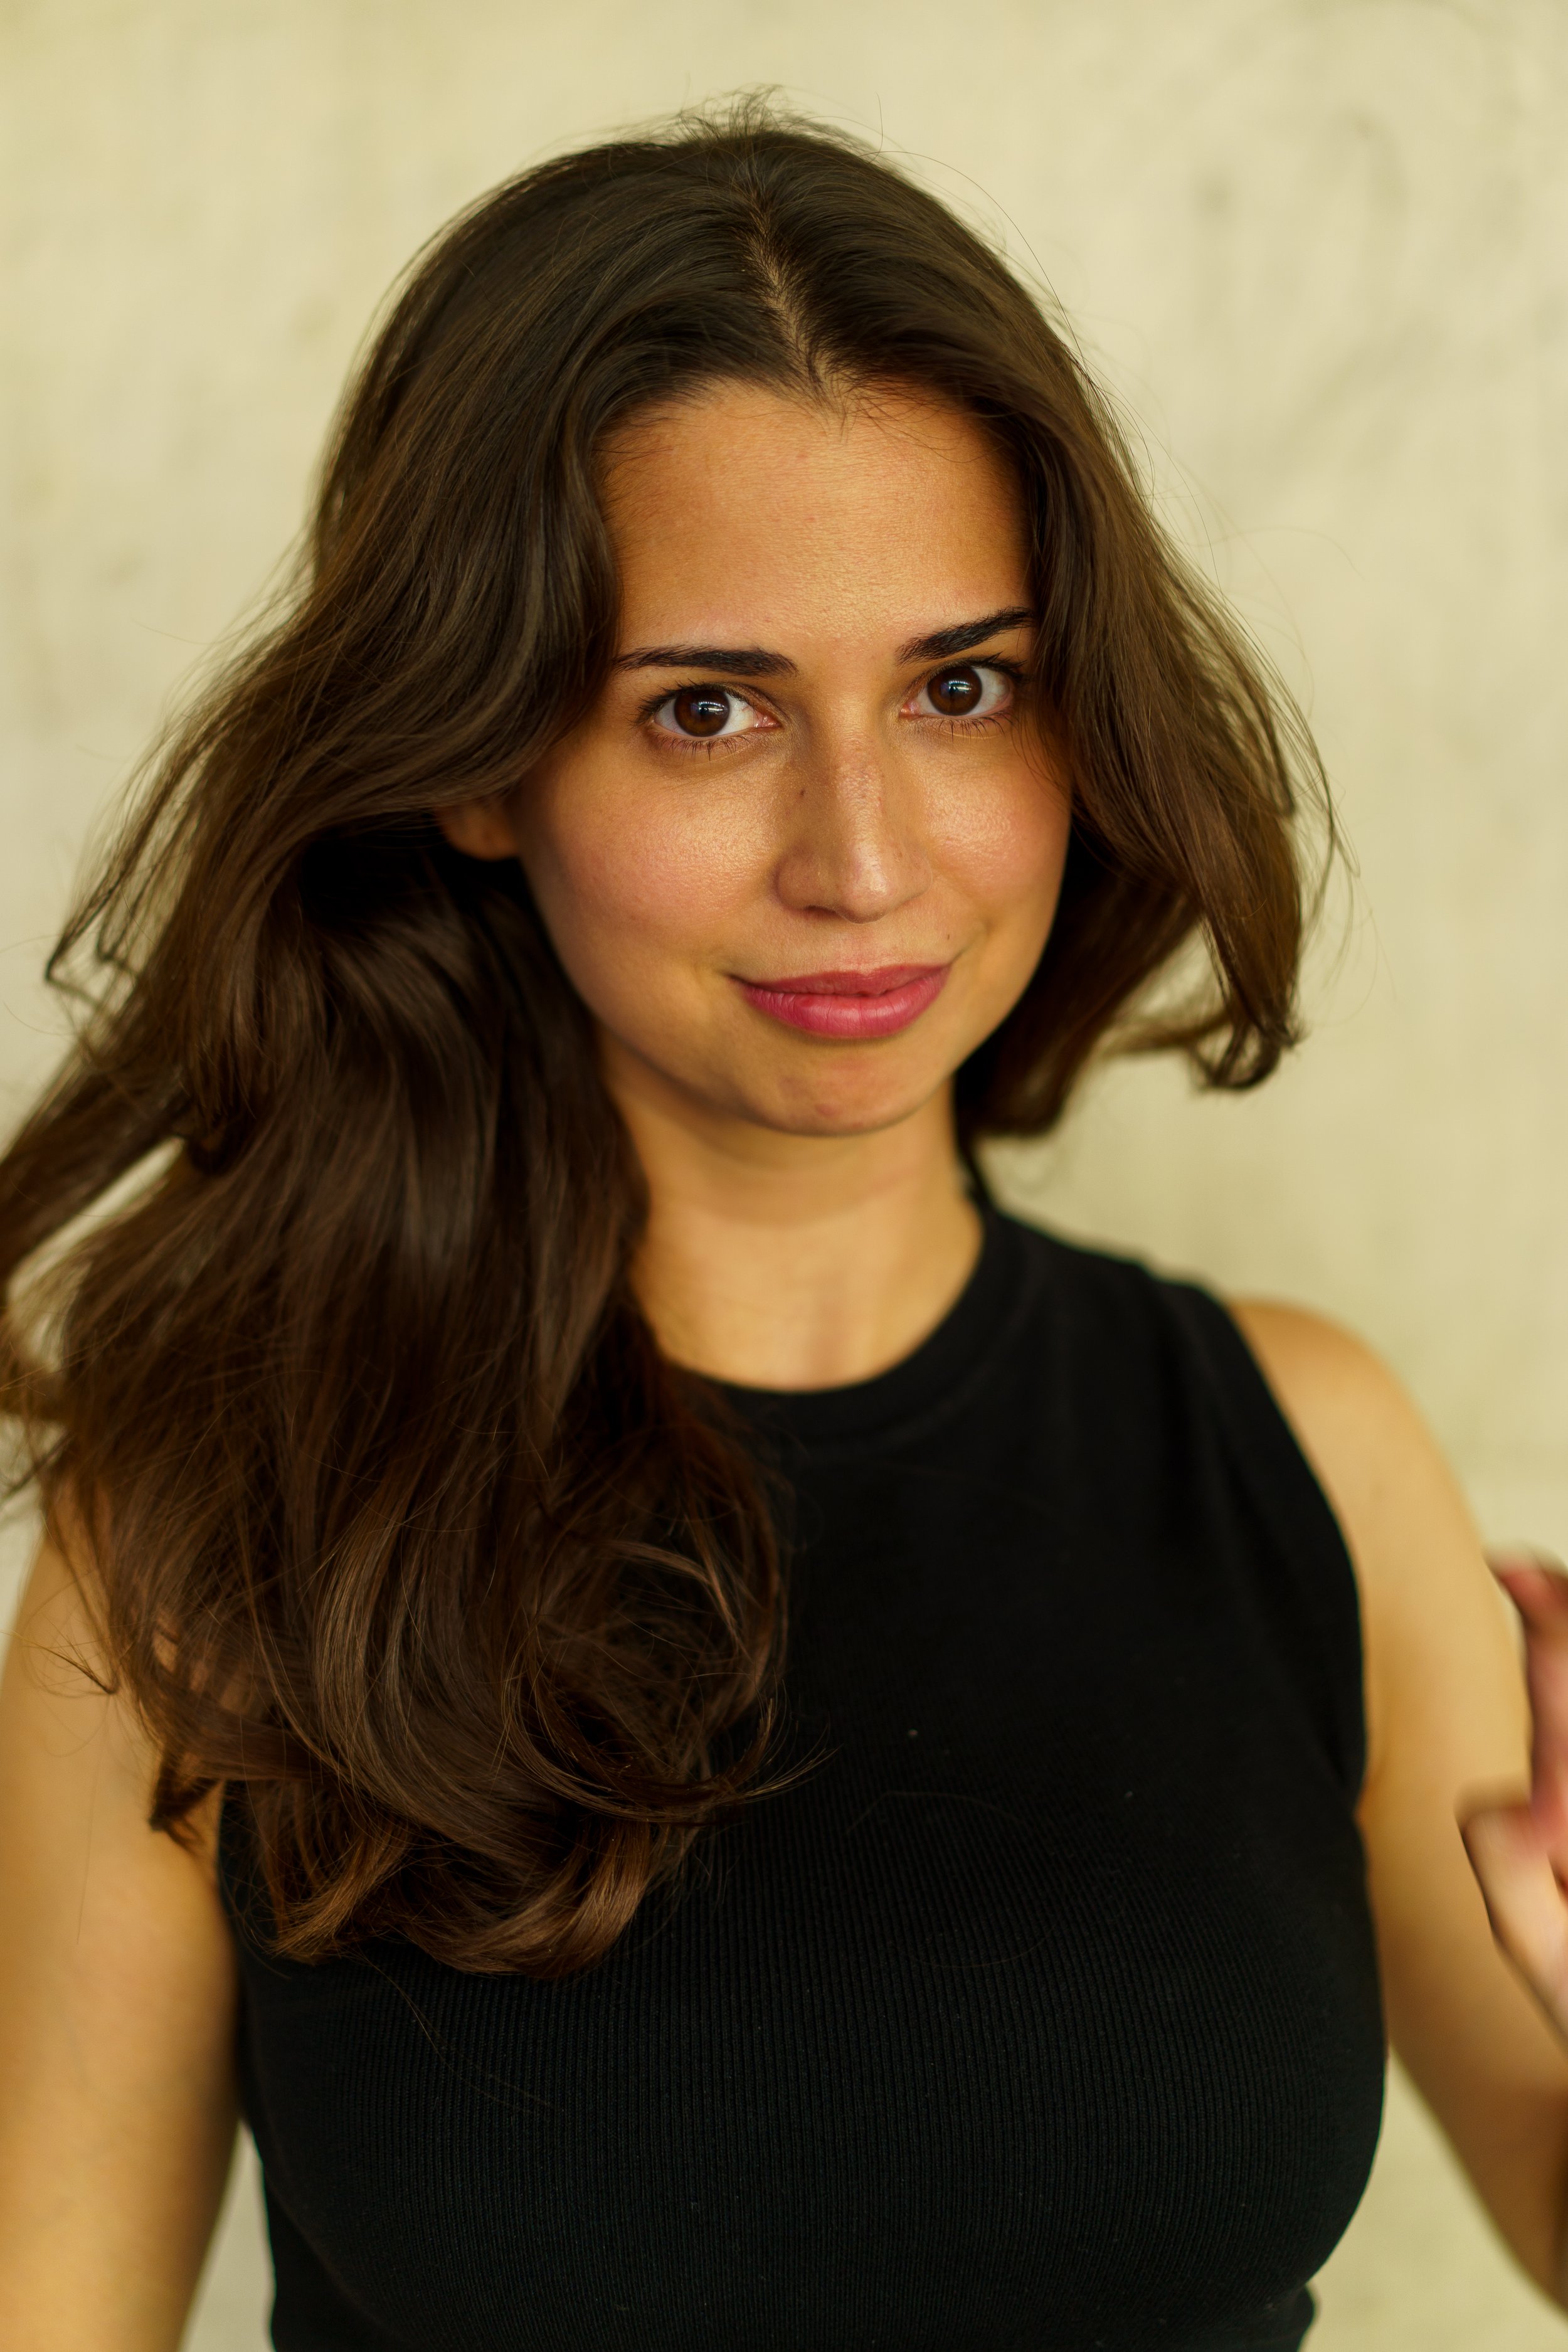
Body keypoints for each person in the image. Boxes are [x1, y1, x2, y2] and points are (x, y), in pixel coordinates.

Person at [1, 100, 1565, 2352]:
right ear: (474, 759)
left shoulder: (1299, 1455)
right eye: (707, 709)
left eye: (960, 686)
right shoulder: (204, 1536)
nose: (861, 853)